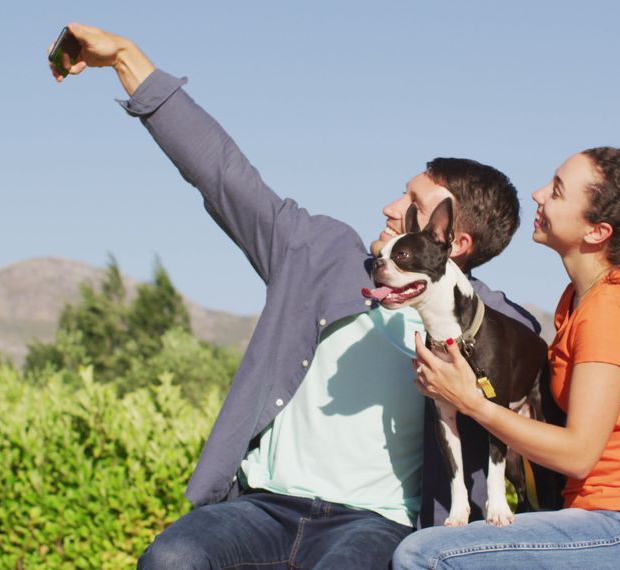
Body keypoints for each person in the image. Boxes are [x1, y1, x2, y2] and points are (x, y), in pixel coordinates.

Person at [49, 23, 542, 569]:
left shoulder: (500, 329)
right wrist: (126, 58)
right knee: (172, 558)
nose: (387, 208)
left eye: (412, 203)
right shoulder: (319, 253)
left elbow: (557, 429)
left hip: (377, 526)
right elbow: (222, 174)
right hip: (263, 509)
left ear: (454, 240)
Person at [394, 147, 620, 568]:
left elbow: (578, 454)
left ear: (597, 231)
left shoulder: (612, 307)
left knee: (425, 555)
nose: (538, 194)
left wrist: (472, 403)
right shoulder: (577, 302)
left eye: (556, 191)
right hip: (599, 520)